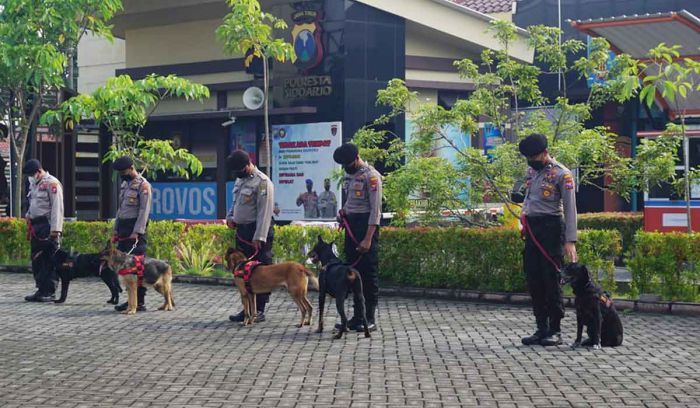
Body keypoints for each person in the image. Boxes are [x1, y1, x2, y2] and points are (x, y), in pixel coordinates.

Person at [517, 133, 577, 346]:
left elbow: (570, 209)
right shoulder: (532, 171)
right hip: (532, 228)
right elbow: (528, 198)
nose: (530, 160)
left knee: (551, 280)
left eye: (533, 156)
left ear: (544, 153)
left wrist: (570, 240)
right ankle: (541, 328)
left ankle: (555, 330)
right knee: (534, 279)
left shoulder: (562, 174)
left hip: (551, 229)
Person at [333, 143, 382, 332]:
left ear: (356, 158)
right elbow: (351, 200)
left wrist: (368, 239)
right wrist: (343, 212)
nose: (345, 167)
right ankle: (357, 316)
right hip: (351, 227)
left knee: (368, 275)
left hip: (365, 228)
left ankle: (369, 318)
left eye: (347, 163)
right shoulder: (350, 175)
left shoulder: (372, 177)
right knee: (352, 274)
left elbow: (375, 212)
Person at [226, 150, 275, 322]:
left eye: (241, 169)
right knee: (243, 272)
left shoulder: (262, 182)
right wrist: (230, 217)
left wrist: (259, 237)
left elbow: (265, 212)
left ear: (248, 164)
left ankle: (259, 309)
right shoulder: (241, 179)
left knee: (259, 272)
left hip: (257, 232)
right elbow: (235, 203)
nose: (238, 173)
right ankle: (247, 308)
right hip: (242, 232)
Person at [112, 156, 152, 312]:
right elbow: (121, 210)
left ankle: (140, 301)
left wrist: (137, 232)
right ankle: (130, 301)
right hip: (123, 229)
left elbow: (144, 211)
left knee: (137, 268)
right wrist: (116, 229)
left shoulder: (143, 186)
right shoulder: (125, 185)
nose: (122, 174)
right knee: (125, 268)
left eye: (123, 171)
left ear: (131, 168)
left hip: (135, 232)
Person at [23, 159, 63, 302]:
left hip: (47, 226)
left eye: (32, 174)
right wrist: (28, 216)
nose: (30, 177)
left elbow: (57, 208)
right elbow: (33, 203)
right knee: (37, 259)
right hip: (36, 226)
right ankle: (41, 289)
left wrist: (55, 230)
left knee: (49, 259)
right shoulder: (34, 184)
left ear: (39, 171)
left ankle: (49, 291)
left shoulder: (52, 183)